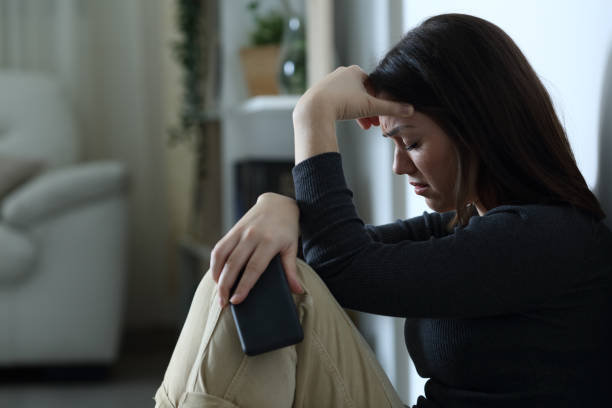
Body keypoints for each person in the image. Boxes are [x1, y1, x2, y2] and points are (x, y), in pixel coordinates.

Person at [154, 13, 612, 408]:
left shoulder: (545, 238)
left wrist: (312, 114)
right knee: (248, 269)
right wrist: (277, 205)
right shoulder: (470, 226)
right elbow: (322, 255)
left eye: (412, 142)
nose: (398, 166)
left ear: (478, 126)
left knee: (257, 279)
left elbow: (342, 266)